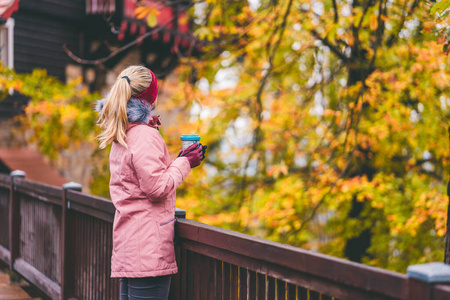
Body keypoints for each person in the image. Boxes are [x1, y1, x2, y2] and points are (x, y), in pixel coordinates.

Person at [95, 65, 206, 300]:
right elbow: (156, 188)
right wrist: (185, 162)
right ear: (150, 97)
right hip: (147, 249)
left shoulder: (124, 133)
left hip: (132, 245)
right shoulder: (143, 136)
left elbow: (141, 178)